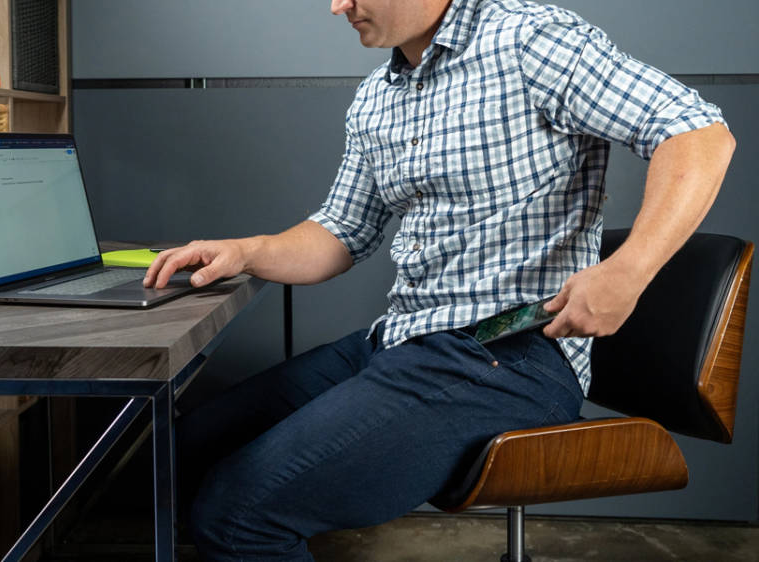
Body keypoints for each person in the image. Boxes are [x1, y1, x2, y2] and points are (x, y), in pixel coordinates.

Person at [143, 0, 735, 559]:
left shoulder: (531, 39)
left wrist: (628, 271)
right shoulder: (377, 96)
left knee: (238, 513)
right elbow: (341, 232)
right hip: (401, 341)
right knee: (177, 455)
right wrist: (245, 251)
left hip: (512, 354)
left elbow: (698, 133)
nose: (337, 6)